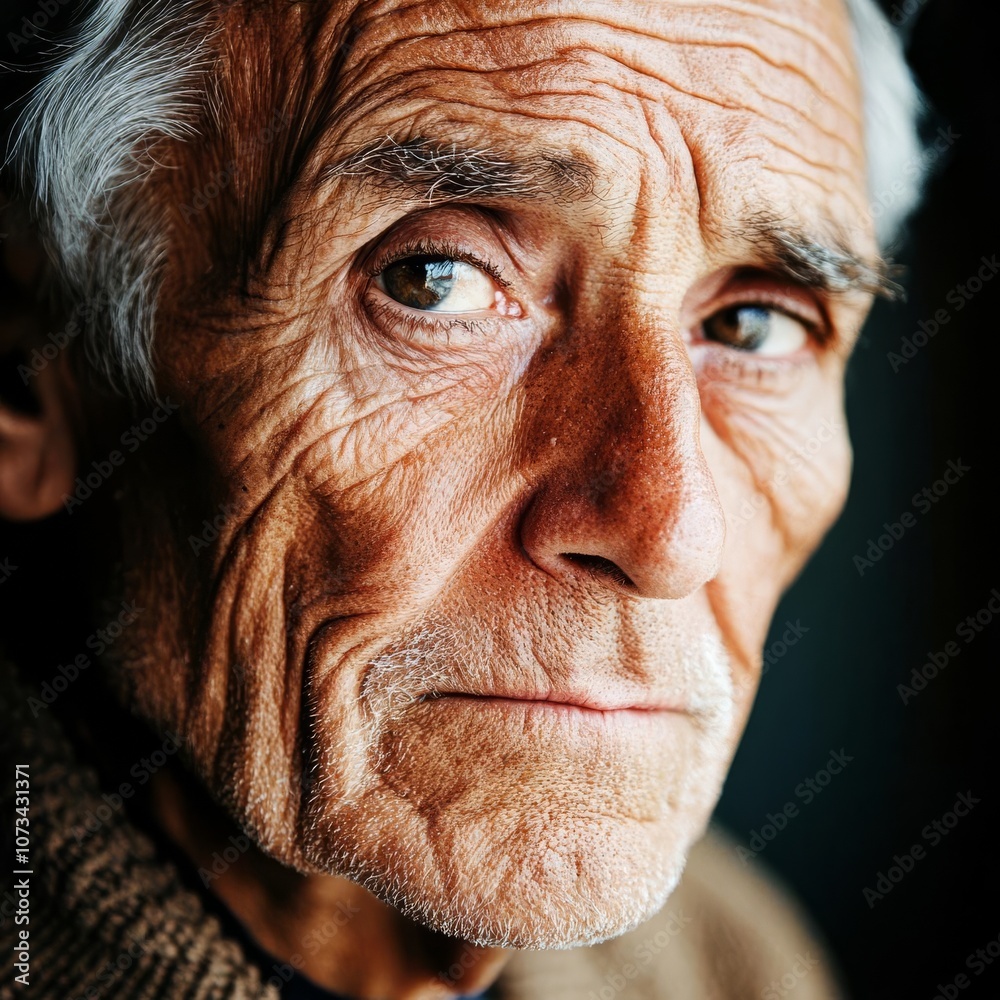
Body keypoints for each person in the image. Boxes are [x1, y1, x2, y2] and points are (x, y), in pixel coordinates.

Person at [0, 0, 924, 996]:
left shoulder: (730, 966)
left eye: (749, 325)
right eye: (433, 280)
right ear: (28, 372)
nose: (668, 530)